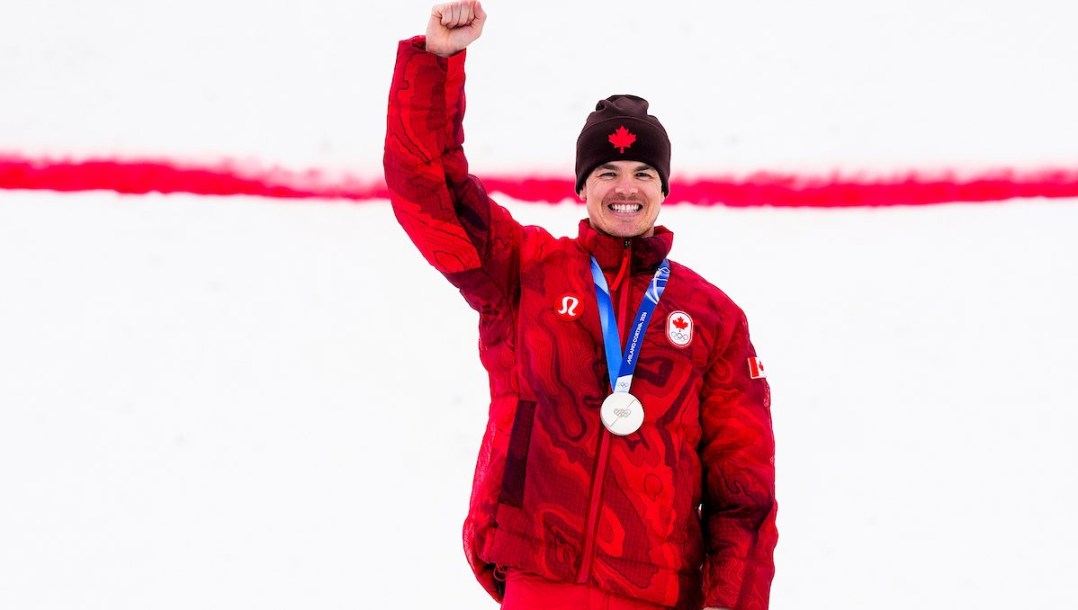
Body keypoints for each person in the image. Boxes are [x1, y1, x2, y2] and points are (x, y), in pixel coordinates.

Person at [383, 2, 777, 609]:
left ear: (664, 189)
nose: (626, 188)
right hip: (540, 579)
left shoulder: (713, 318)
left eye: (644, 172)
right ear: (582, 184)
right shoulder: (524, 273)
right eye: (608, 171)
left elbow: (742, 489)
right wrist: (438, 61)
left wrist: (731, 602)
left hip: (658, 594)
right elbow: (429, 189)